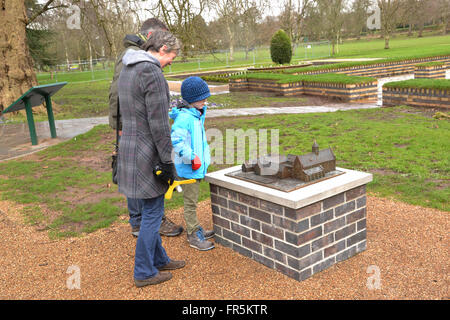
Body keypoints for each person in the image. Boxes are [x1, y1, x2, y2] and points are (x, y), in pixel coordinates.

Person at [117, 30, 185, 287]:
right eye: (172, 58)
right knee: (154, 212)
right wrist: (168, 160)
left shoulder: (127, 67)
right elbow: (159, 124)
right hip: (148, 152)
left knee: (149, 210)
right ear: (163, 49)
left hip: (130, 147)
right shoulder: (152, 71)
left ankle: (159, 259)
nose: (170, 64)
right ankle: (144, 272)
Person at [108, 18, 183, 238]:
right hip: (132, 127)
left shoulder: (136, 55)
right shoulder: (134, 58)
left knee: (140, 172)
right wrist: (121, 126)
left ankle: (146, 221)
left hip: (131, 125)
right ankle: (143, 221)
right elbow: (118, 94)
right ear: (152, 37)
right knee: (141, 173)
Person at [169, 77, 215, 251]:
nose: (205, 101)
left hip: (195, 168)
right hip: (189, 169)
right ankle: (193, 234)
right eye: (202, 98)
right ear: (192, 99)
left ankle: (196, 227)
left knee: (193, 200)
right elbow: (177, 141)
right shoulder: (184, 118)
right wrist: (192, 158)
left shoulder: (196, 114)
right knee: (190, 203)